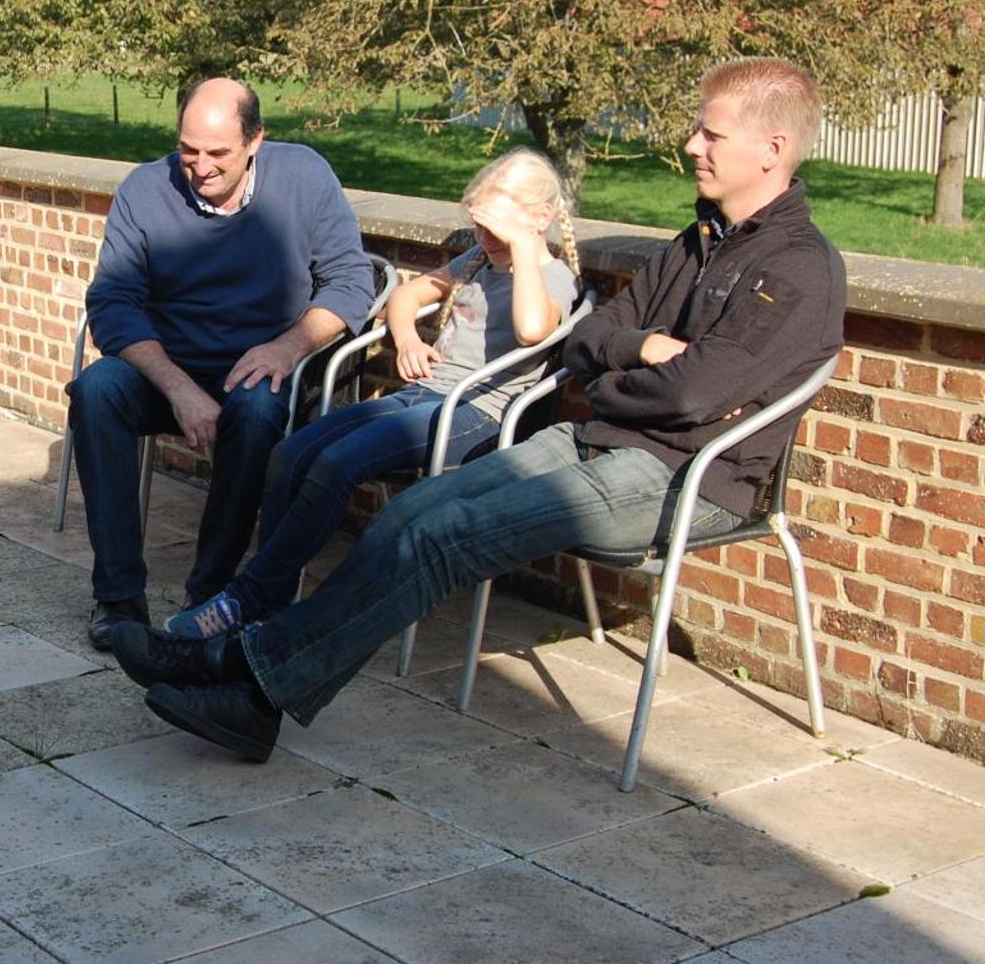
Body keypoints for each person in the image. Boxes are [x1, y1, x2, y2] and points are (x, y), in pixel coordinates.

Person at [110, 58, 846, 762]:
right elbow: (589, 342)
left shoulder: (798, 269)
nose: (693, 145)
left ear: (772, 149)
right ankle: (249, 665)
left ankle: (246, 681)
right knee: (411, 513)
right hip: (594, 440)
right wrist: (644, 349)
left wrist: (626, 372)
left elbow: (687, 395)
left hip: (682, 481)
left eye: (711, 134)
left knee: (446, 535)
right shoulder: (695, 245)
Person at [165, 147, 582, 638]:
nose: (485, 237)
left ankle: (249, 601)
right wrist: (407, 338)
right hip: (423, 397)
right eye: (479, 225)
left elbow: (533, 329)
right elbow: (405, 296)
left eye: (497, 227)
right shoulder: (479, 259)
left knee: (337, 463)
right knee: (293, 451)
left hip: (475, 415)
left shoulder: (551, 276)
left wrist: (526, 246)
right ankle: (265, 601)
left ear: (540, 219)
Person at [71, 77, 377, 649]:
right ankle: (117, 599)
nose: (201, 167)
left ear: (255, 140)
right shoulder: (144, 189)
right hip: (167, 365)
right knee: (95, 391)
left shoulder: (304, 176)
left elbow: (352, 280)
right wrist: (179, 387)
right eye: (189, 151)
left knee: (258, 413)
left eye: (218, 154)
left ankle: (211, 595)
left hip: (260, 366)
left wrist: (288, 346)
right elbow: (111, 303)